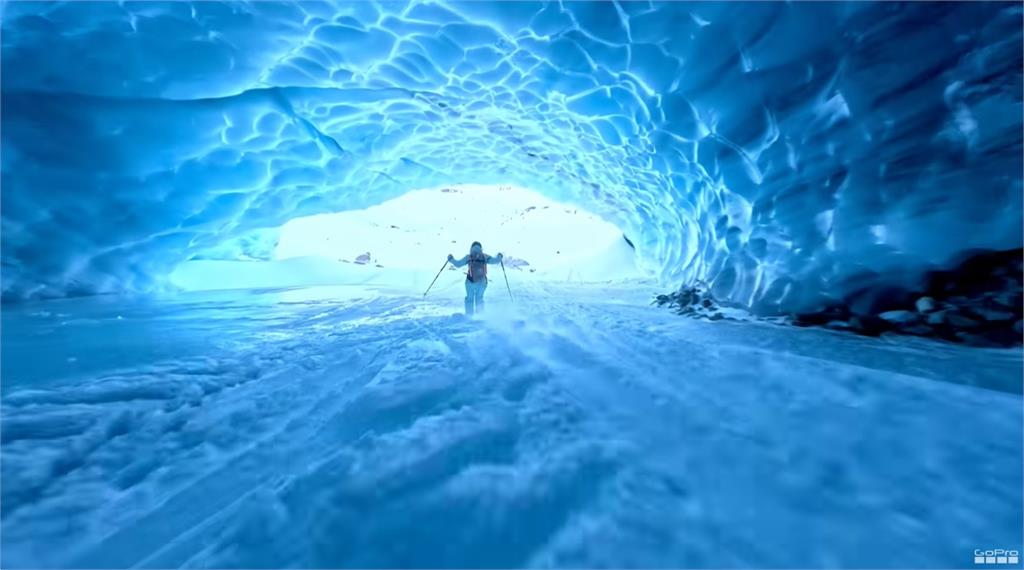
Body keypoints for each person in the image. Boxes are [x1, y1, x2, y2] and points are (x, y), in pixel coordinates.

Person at [448, 241, 503, 315]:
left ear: (471, 248)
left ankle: (469, 316)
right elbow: (496, 261)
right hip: (482, 282)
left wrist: (451, 259)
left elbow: (458, 264)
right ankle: (480, 316)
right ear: (481, 248)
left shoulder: (469, 257)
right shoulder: (485, 256)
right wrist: (500, 256)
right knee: (479, 298)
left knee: (469, 299)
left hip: (470, 281)